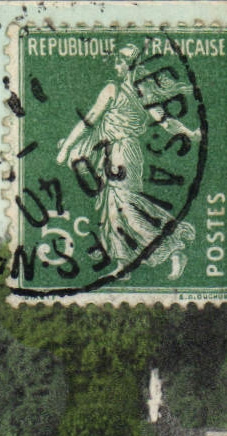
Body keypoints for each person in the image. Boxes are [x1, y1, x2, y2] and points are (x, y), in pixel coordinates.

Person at [56, 42, 197, 278]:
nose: (116, 66)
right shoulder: (136, 91)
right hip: (110, 153)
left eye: (120, 62)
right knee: (111, 210)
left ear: (130, 65)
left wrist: (189, 133)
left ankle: (173, 249)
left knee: (126, 207)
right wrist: (189, 133)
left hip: (123, 153)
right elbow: (164, 121)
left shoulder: (118, 90)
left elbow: (89, 120)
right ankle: (123, 263)